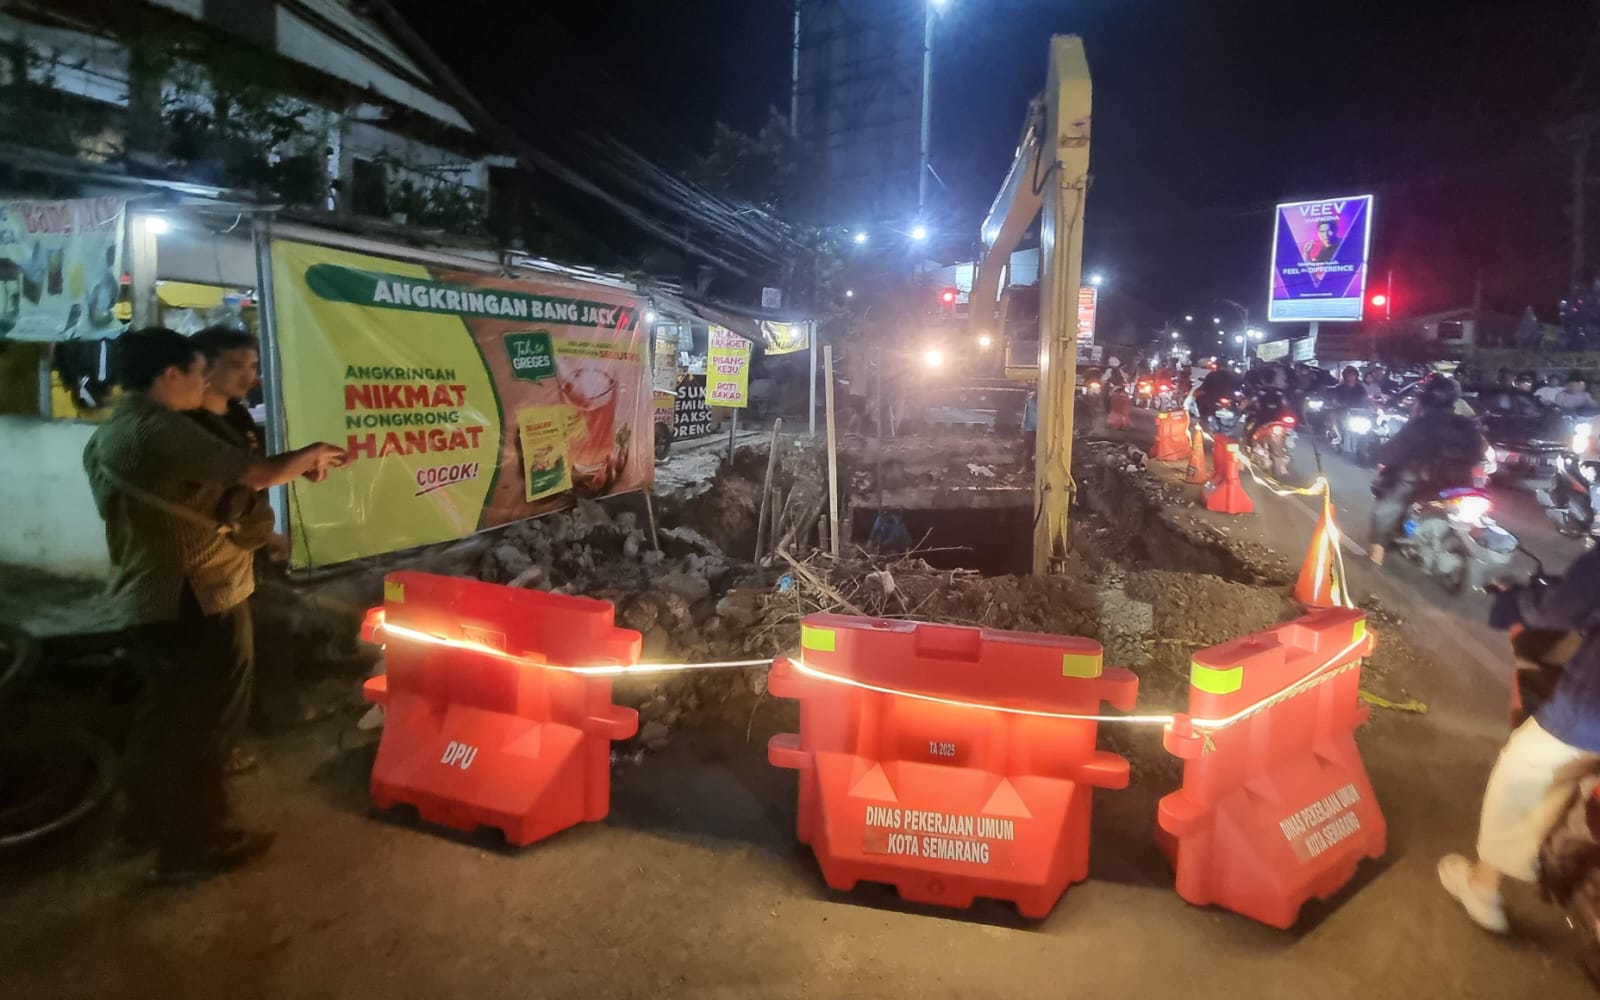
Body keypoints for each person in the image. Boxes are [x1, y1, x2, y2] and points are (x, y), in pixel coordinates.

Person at [84, 327, 348, 883]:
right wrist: (312, 454)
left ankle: (146, 822)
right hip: (195, 596)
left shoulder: (117, 430)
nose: (205, 382)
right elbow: (255, 475)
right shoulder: (157, 428)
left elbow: (209, 489)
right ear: (170, 375)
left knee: (166, 716)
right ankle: (193, 843)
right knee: (203, 724)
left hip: (154, 592)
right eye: (199, 372)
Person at [1438, 546, 1600, 933]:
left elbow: (1562, 608)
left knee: (1522, 775)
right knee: (1567, 780)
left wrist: (1517, 600)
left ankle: (1483, 887)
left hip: (1589, 710)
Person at [1367, 377, 1487, 565]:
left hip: (1420, 477)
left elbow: (1394, 449)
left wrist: (1383, 461)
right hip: (1459, 481)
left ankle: (1377, 550)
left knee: (1389, 506)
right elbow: (1480, 451)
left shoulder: (1421, 423)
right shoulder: (1466, 425)